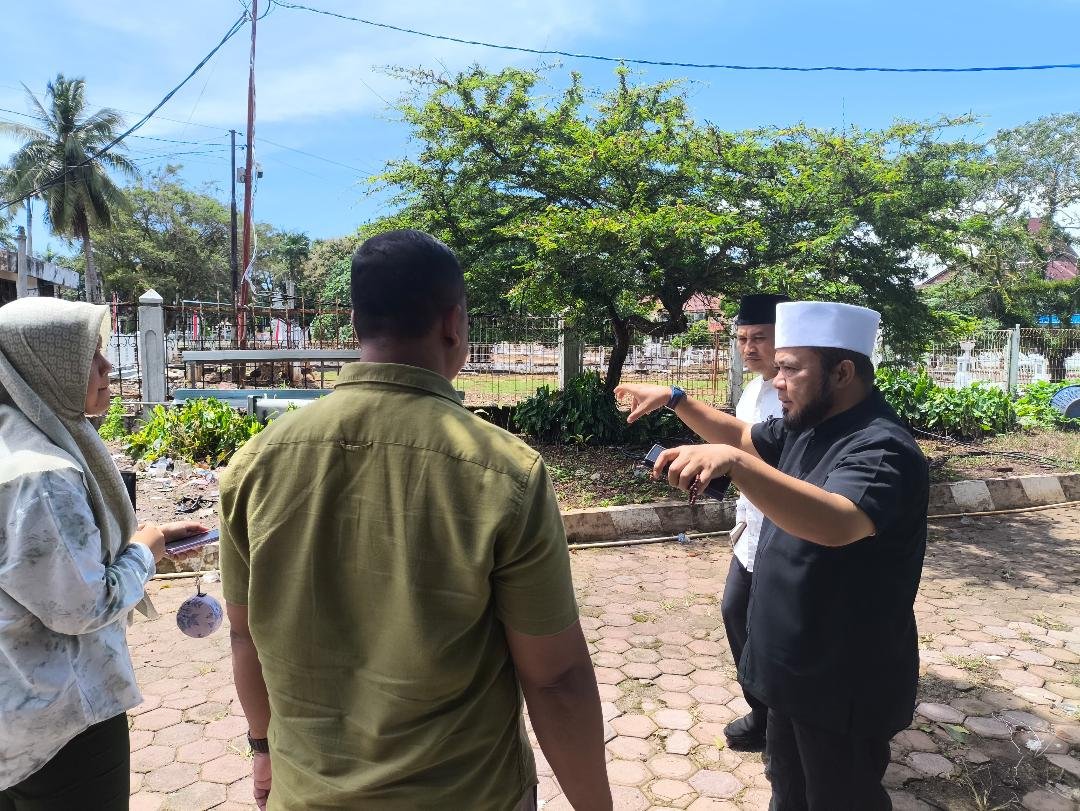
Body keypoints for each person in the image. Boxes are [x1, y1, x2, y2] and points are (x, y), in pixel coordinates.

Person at [219, 229, 611, 811]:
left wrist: (262, 747)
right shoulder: (505, 473)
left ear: (356, 324)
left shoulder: (253, 465)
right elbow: (555, 679)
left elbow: (243, 634)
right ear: (454, 324)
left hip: (306, 796)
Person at [619, 301, 928, 810]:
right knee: (788, 790)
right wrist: (676, 400)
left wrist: (737, 466)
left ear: (842, 372)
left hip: (841, 679)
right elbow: (743, 437)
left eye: (790, 369)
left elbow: (837, 521)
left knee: (839, 798)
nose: (776, 381)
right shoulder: (810, 421)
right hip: (793, 671)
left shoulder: (880, 446)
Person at [0, 297, 206, 811]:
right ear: (44, 367)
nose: (107, 366)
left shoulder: (14, 438)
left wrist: (148, 537)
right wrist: (143, 551)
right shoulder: (43, 475)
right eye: (88, 355)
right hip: (62, 722)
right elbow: (84, 606)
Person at [615, 293, 787, 751]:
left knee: (777, 634)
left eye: (760, 338)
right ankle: (763, 713)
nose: (748, 348)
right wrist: (711, 472)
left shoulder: (798, 396)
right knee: (736, 614)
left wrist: (678, 401)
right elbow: (741, 442)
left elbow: (757, 454)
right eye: (742, 339)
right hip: (752, 532)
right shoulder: (754, 391)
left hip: (788, 534)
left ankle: (784, 725)